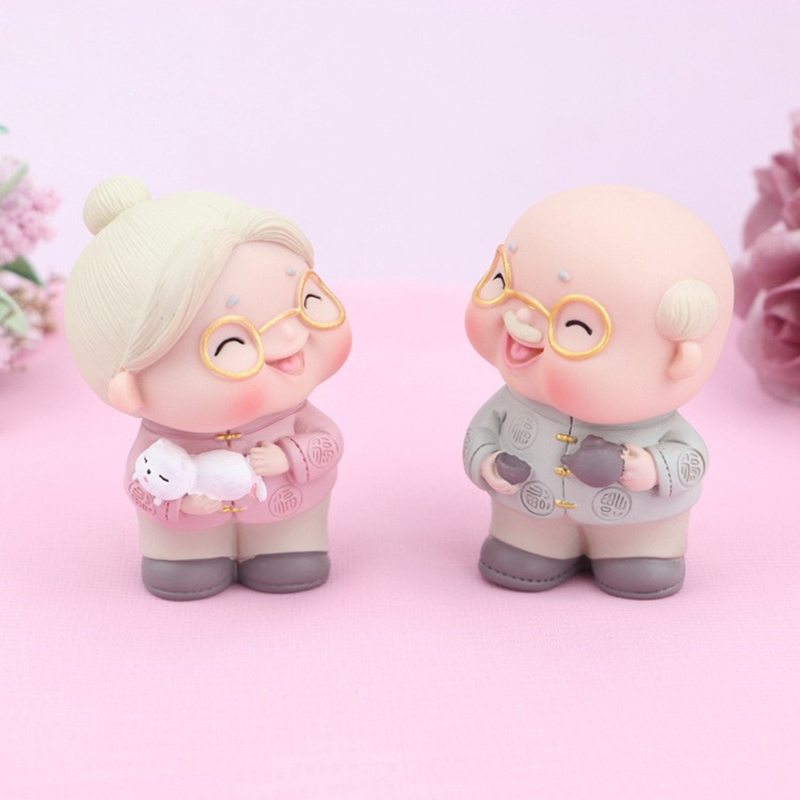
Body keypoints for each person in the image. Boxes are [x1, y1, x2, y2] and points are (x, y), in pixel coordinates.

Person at [66, 176, 352, 600]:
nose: (291, 336)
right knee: (184, 566)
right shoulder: (161, 442)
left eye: (309, 301)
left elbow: (327, 441)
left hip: (286, 507)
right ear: (130, 388)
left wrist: (288, 455)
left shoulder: (294, 413)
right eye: (231, 343)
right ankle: (183, 558)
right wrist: (179, 504)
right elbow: (140, 482)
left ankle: (285, 548)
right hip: (189, 528)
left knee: (290, 556)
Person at [463, 186, 733, 599]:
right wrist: (488, 464)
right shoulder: (511, 403)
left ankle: (643, 554)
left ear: (679, 359)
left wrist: (651, 467)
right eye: (501, 282)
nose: (520, 322)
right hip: (531, 513)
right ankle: (531, 546)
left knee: (641, 566)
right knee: (520, 552)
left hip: (639, 524)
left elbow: (692, 458)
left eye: (576, 326)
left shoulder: (660, 425)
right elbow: (481, 435)